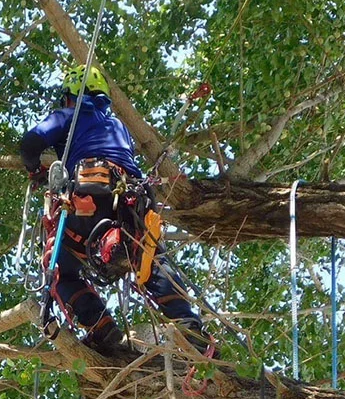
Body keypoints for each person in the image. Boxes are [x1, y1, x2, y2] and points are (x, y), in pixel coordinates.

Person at [20, 64, 216, 361]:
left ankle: (102, 328)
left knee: (60, 269)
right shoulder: (117, 127)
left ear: (71, 95)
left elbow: (31, 142)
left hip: (86, 203)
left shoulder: (68, 117)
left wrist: (35, 169)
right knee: (150, 261)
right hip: (130, 204)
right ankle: (189, 327)